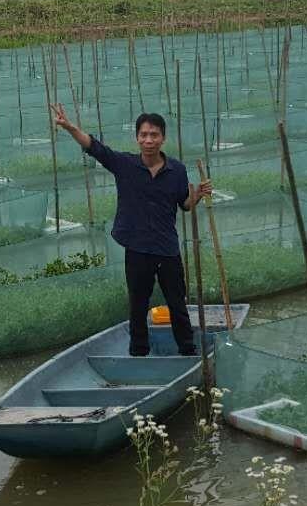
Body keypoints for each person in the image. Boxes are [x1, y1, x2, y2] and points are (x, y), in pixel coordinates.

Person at [49, 103, 212, 356]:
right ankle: (139, 352)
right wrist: (70, 127)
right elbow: (94, 147)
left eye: (154, 135)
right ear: (137, 138)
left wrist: (198, 195)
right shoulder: (124, 164)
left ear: (163, 138)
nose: (149, 140)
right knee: (138, 305)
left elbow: (185, 205)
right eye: (144, 135)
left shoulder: (176, 170)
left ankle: (188, 351)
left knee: (177, 304)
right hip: (137, 249)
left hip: (167, 248)